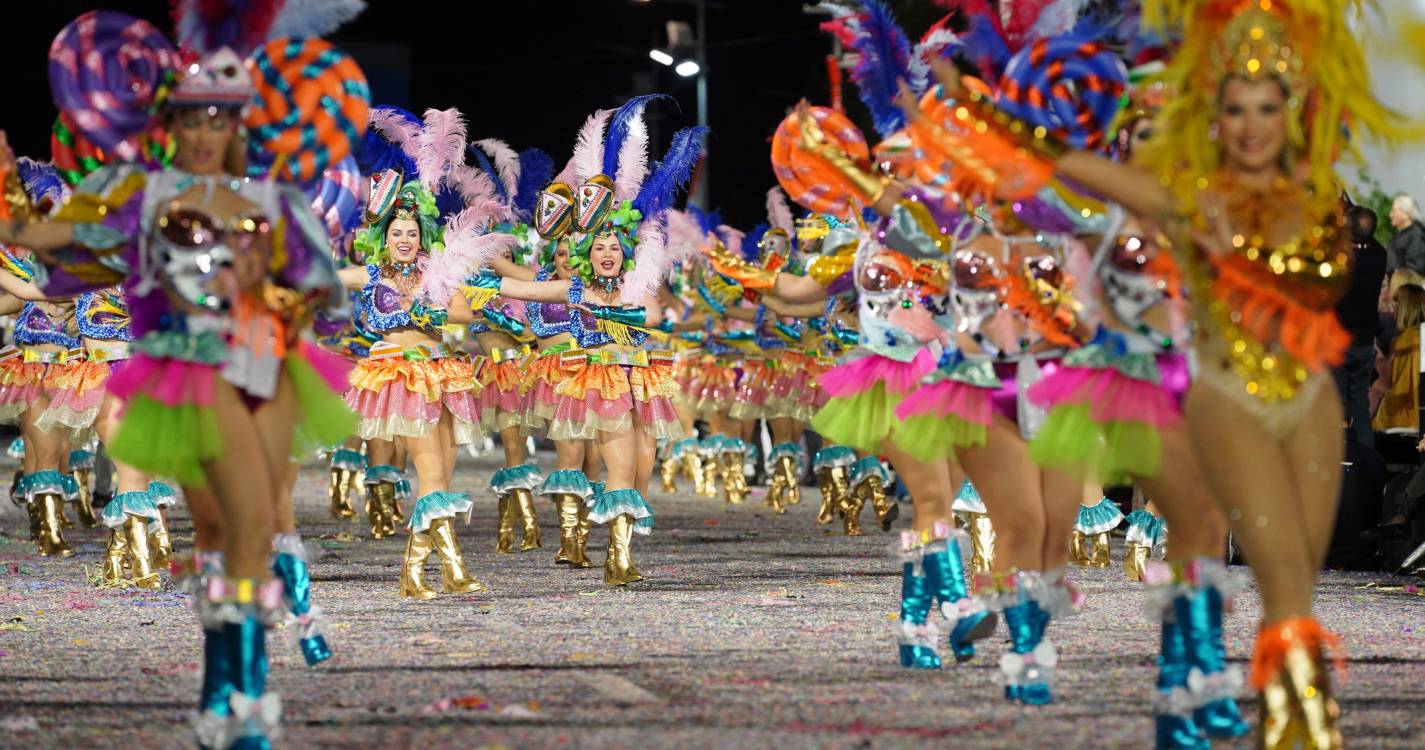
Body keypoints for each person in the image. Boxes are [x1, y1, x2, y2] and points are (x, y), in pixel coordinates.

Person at [1334, 204, 1389, 448]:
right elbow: (1369, 239)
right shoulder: (1379, 256)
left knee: (1336, 404)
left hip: (1338, 342)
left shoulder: (1341, 259)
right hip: (1364, 343)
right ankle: (1367, 457)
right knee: (1359, 405)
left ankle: (1336, 459)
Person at [1387, 195, 1425, 276]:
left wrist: (1396, 273)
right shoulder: (1399, 235)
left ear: (1406, 213)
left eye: (1394, 211)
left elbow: (1416, 267)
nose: (1390, 214)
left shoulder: (1416, 236)